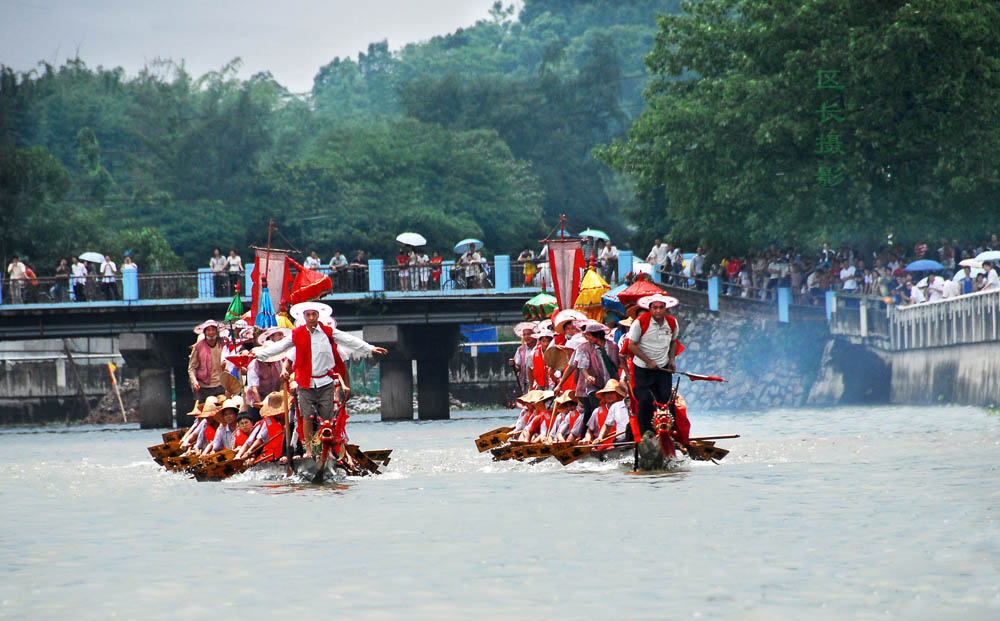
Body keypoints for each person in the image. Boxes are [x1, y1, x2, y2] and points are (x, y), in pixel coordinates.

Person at [250, 302, 388, 458]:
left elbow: (349, 340)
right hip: (305, 383)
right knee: (306, 417)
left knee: (327, 419)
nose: (311, 318)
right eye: (308, 315)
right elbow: (280, 347)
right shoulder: (297, 334)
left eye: (313, 314)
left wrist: (370, 348)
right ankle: (308, 450)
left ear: (318, 316)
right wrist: (259, 355)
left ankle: (326, 450)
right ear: (304, 317)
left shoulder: (328, 332)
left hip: (325, 382)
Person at [626, 294, 682, 437]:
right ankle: (647, 433)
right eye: (655, 308)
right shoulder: (639, 323)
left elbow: (673, 342)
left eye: (661, 307)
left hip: (663, 368)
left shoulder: (672, 322)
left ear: (666, 308)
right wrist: (648, 361)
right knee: (645, 400)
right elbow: (631, 345)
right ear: (650, 308)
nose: (658, 311)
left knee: (666, 399)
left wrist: (672, 360)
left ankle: (671, 432)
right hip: (643, 369)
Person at [246, 327, 290, 420]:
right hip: (258, 401)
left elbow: (282, 382)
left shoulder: (278, 362)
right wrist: (262, 406)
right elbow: (254, 389)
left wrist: (280, 397)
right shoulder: (253, 366)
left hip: (275, 399)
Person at [188, 320, 227, 402]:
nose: (211, 332)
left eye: (213, 330)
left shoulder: (224, 343)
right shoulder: (198, 347)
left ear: (216, 331)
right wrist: (194, 382)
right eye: (208, 330)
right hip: (204, 386)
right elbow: (192, 368)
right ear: (205, 332)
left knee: (224, 402)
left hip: (221, 384)